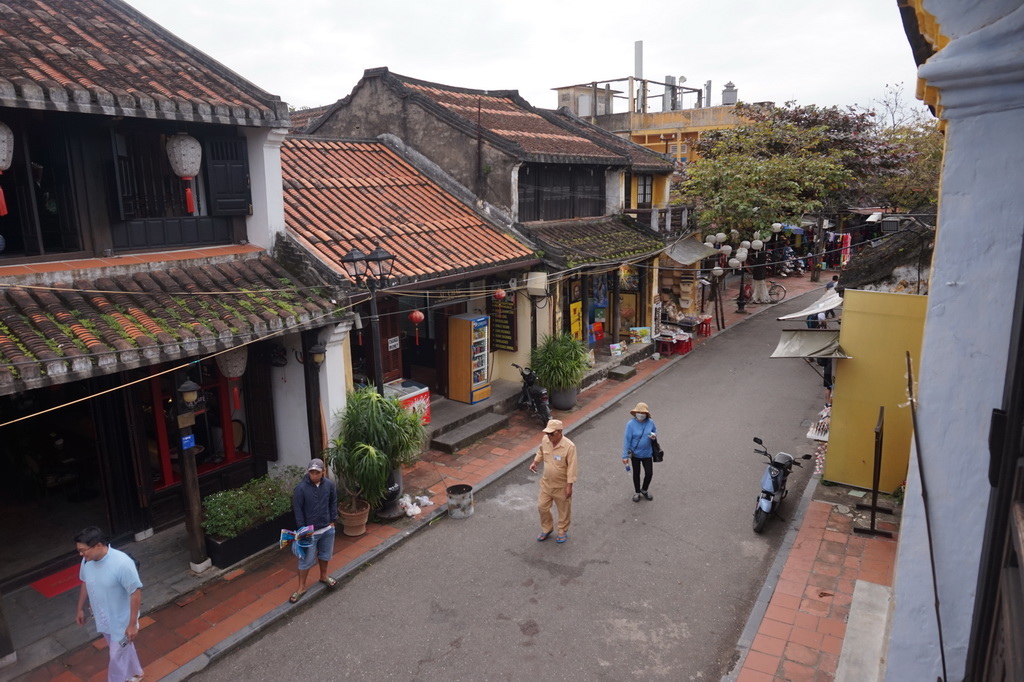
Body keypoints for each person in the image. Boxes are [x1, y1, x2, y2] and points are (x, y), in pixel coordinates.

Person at [74, 526, 144, 682]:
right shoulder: (87, 561)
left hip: (122, 622)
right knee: (123, 650)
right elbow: (85, 582)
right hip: (103, 618)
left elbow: (135, 593)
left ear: (98, 545)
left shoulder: (122, 564)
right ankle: (136, 672)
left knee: (116, 657)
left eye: (83, 550)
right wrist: (80, 609)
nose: (81, 554)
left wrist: (132, 625)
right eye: (79, 550)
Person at [290, 458, 338, 603]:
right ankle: (301, 587)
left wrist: (332, 521)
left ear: (323, 472)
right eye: (312, 472)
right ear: (308, 472)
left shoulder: (329, 485)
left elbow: (333, 501)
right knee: (305, 560)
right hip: (309, 532)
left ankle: (323, 576)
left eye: (317, 472)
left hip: (327, 529)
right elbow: (297, 510)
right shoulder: (300, 489)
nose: (314, 475)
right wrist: (303, 530)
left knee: (325, 555)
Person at [529, 419, 578, 544]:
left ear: (560, 432)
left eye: (551, 434)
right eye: (547, 433)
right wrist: (535, 462)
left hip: (561, 485)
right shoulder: (545, 441)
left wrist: (569, 486)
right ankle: (547, 528)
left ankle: (562, 530)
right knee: (542, 506)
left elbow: (572, 468)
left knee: (564, 509)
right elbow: (541, 452)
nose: (548, 436)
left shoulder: (569, 447)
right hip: (546, 483)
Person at [621, 402, 658, 502]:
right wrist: (624, 456)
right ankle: (637, 492)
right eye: (639, 412)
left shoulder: (650, 422)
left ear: (646, 414)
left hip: (647, 453)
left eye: (643, 412)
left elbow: (654, 431)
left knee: (649, 473)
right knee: (636, 474)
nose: (641, 414)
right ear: (636, 413)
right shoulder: (630, 424)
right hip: (635, 454)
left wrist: (653, 435)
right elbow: (627, 440)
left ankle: (644, 490)